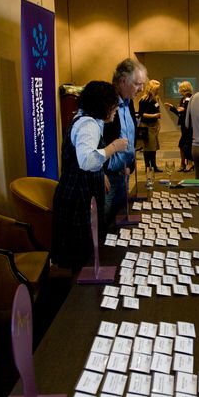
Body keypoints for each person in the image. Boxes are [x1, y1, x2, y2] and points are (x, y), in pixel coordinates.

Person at [52, 81, 127, 270]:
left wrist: (100, 173)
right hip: (79, 194)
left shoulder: (85, 119)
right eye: (113, 103)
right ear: (102, 104)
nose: (117, 108)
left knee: (81, 248)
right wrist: (114, 147)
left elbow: (85, 156)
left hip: (75, 189)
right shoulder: (89, 125)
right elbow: (86, 161)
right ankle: (82, 295)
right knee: (82, 250)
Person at [103, 58, 147, 225]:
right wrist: (100, 172)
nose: (141, 89)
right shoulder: (106, 102)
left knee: (120, 224)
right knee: (105, 226)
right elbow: (95, 142)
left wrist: (130, 166)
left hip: (124, 174)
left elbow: (129, 136)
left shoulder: (129, 102)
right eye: (137, 84)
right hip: (107, 178)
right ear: (122, 81)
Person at [165, 80, 194, 172]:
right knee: (182, 145)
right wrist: (172, 108)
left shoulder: (192, 98)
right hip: (183, 125)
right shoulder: (182, 99)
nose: (178, 90)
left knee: (187, 145)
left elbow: (192, 113)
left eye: (180, 88)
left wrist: (184, 110)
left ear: (184, 89)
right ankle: (183, 163)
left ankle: (189, 163)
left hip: (189, 126)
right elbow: (179, 113)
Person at [138, 79, 163, 172]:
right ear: (151, 89)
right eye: (156, 89)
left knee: (154, 147)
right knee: (148, 147)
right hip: (146, 126)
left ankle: (154, 165)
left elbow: (157, 109)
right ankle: (148, 166)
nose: (158, 91)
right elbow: (142, 114)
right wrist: (154, 115)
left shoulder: (155, 99)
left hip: (154, 125)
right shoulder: (144, 100)